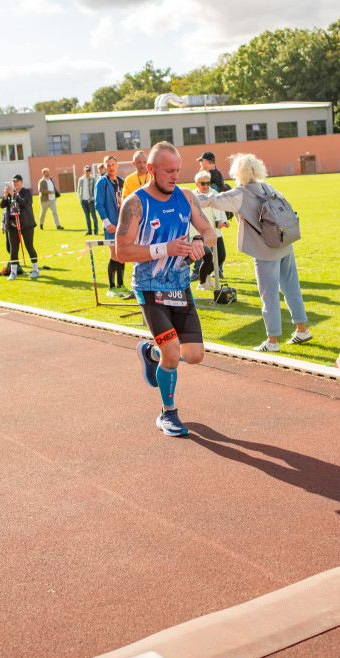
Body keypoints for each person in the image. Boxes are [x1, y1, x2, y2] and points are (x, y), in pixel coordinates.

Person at [116, 141, 216, 437]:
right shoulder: (135, 203)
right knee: (172, 352)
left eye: (178, 170)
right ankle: (167, 414)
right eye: (168, 171)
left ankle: (152, 355)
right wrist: (166, 248)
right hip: (149, 286)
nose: (175, 176)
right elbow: (122, 252)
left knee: (195, 355)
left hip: (179, 284)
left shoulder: (186, 197)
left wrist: (199, 243)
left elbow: (210, 232)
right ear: (150, 170)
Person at [197, 153, 311, 352]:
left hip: (265, 250)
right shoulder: (268, 187)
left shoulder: (239, 193)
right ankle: (302, 330)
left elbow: (210, 201)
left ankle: (272, 341)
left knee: (269, 296)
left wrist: (187, 197)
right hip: (285, 243)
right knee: (292, 287)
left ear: (237, 172)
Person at [191, 170, 229, 291]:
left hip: (216, 233)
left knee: (221, 257)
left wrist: (224, 220)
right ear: (197, 184)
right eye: (203, 183)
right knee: (207, 258)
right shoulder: (192, 197)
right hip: (200, 234)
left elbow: (220, 209)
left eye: (208, 183)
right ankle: (201, 283)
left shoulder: (214, 193)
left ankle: (206, 274)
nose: (206, 186)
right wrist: (215, 223)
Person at [95, 155, 126, 297]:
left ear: (117, 165)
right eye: (108, 165)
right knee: (114, 255)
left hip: (123, 226)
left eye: (113, 164)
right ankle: (111, 287)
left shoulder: (122, 182)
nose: (111, 167)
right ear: (104, 167)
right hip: (111, 226)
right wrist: (107, 223)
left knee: (122, 255)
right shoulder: (102, 183)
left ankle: (121, 285)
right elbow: (99, 204)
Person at [0, 175, 40, 280]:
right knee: (13, 249)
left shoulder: (26, 192)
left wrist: (14, 195)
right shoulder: (9, 194)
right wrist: (5, 195)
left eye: (17, 182)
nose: (15, 184)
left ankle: (36, 270)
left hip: (26, 224)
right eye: (13, 182)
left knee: (29, 247)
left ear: (22, 182)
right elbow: (2, 205)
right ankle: (13, 272)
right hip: (12, 225)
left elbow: (26, 204)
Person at [77, 166, 99, 235]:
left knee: (93, 216)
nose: (87, 172)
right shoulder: (81, 179)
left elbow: (95, 189)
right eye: (86, 170)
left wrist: (93, 197)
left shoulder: (93, 179)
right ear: (84, 171)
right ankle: (89, 231)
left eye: (89, 170)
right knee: (87, 216)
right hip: (83, 201)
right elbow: (78, 189)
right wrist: (79, 198)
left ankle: (96, 231)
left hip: (91, 200)